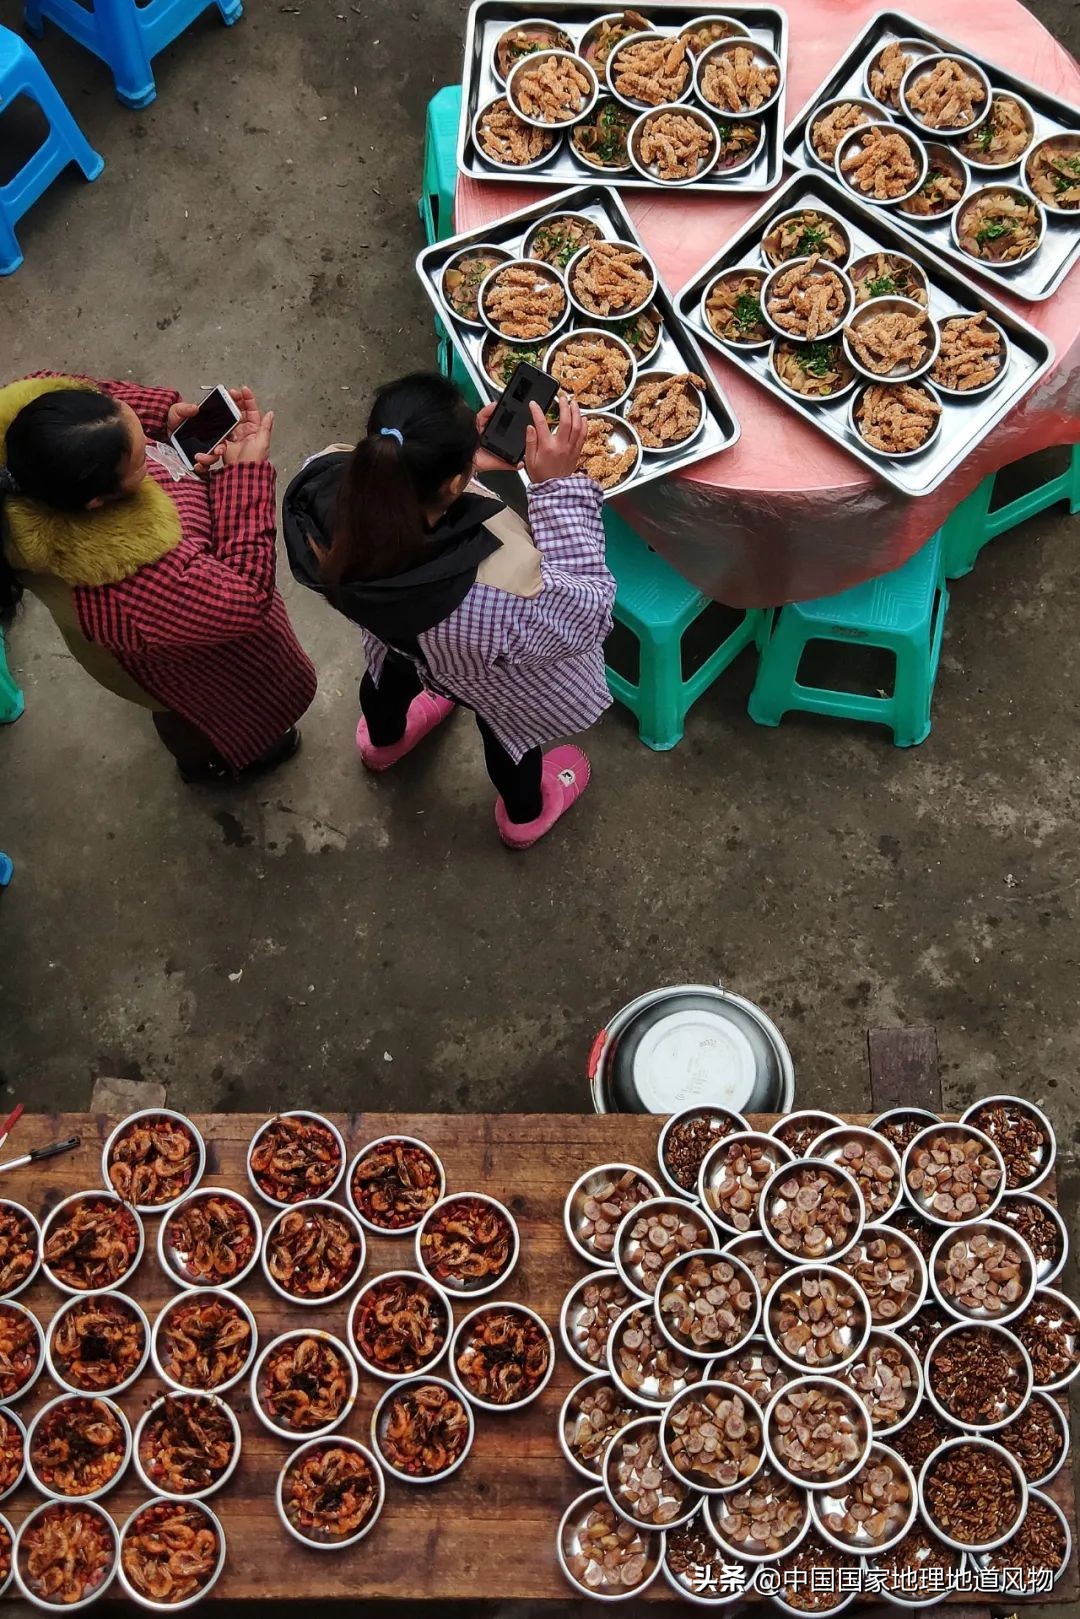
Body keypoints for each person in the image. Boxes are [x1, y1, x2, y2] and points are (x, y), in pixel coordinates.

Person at [283, 371, 615, 849]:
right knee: (507, 735)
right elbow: (590, 614)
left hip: (396, 637)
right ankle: (525, 816)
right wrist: (555, 490)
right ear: (453, 483)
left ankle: (383, 742)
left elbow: (396, 487)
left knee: (387, 680)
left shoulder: (318, 480)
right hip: (478, 668)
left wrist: (458, 465)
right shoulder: (501, 590)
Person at [0, 374, 316, 781]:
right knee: (190, 709)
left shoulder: (32, 439)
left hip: (145, 636)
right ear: (98, 503)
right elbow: (245, 598)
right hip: (168, 665)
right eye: (140, 460)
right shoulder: (131, 576)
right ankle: (206, 764)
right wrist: (244, 476)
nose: (153, 453)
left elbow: (73, 390)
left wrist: (160, 417)